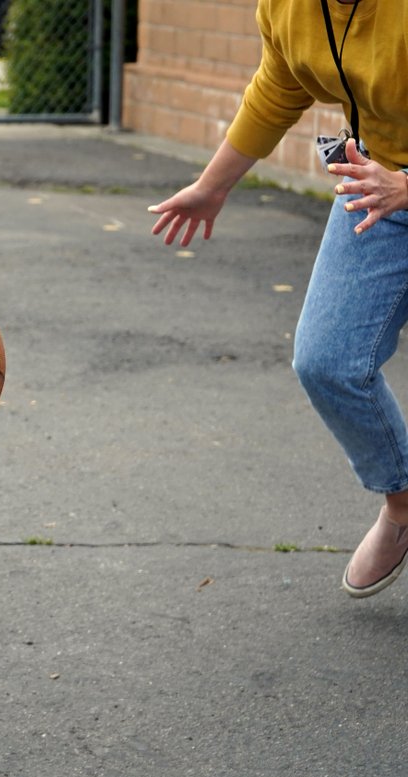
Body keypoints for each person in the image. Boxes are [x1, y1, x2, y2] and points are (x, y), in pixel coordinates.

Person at [148, 0, 408, 598]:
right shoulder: (289, 7)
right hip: (377, 183)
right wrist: (212, 188)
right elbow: (278, 84)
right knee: (328, 361)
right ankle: (401, 505)